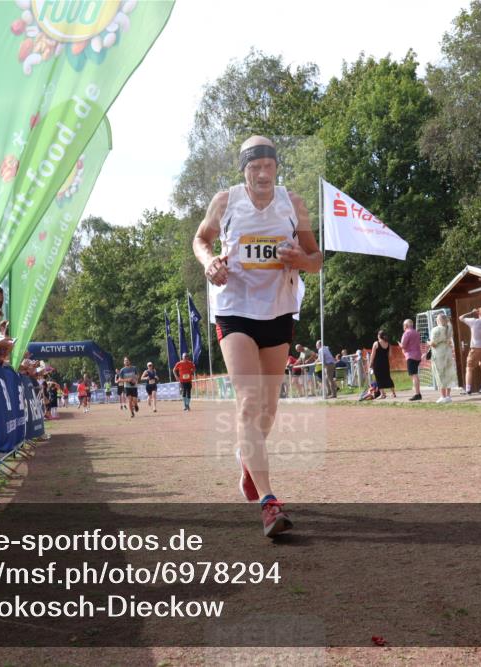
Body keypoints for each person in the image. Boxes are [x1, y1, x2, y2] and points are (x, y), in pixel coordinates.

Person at [194, 134, 322, 538]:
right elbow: (201, 239)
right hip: (234, 311)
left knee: (268, 410)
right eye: (254, 167)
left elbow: (316, 259)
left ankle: (246, 457)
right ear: (244, 170)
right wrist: (209, 261)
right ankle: (269, 502)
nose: (262, 173)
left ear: (276, 167)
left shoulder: (294, 204)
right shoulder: (225, 202)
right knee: (249, 402)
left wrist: (301, 259)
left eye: (268, 165)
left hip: (278, 311)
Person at [459, 306, 481, 394]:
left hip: (475, 348)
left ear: (478, 313)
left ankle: (468, 389)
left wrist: (471, 312)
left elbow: (461, 318)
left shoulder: (474, 321)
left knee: (469, 368)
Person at [429, 313, 458, 403]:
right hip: (448, 352)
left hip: (439, 354)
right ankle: (448, 396)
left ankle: (443, 396)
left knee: (440, 373)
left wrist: (428, 342)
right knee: (448, 373)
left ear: (439, 320)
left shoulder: (436, 330)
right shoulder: (449, 328)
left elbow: (433, 344)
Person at [368, 331, 397, 398]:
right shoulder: (388, 344)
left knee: (379, 378)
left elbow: (372, 354)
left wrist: (370, 363)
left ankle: (382, 394)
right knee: (388, 377)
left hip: (377, 363)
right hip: (385, 363)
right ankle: (393, 393)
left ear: (379, 336)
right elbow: (390, 355)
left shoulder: (376, 343)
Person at [400, 319, 423, 401]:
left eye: (403, 325)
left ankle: (417, 394)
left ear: (405, 326)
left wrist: (400, 345)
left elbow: (403, 345)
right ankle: (418, 392)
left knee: (414, 375)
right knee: (415, 374)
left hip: (411, 356)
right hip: (417, 355)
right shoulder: (416, 332)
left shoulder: (406, 333)